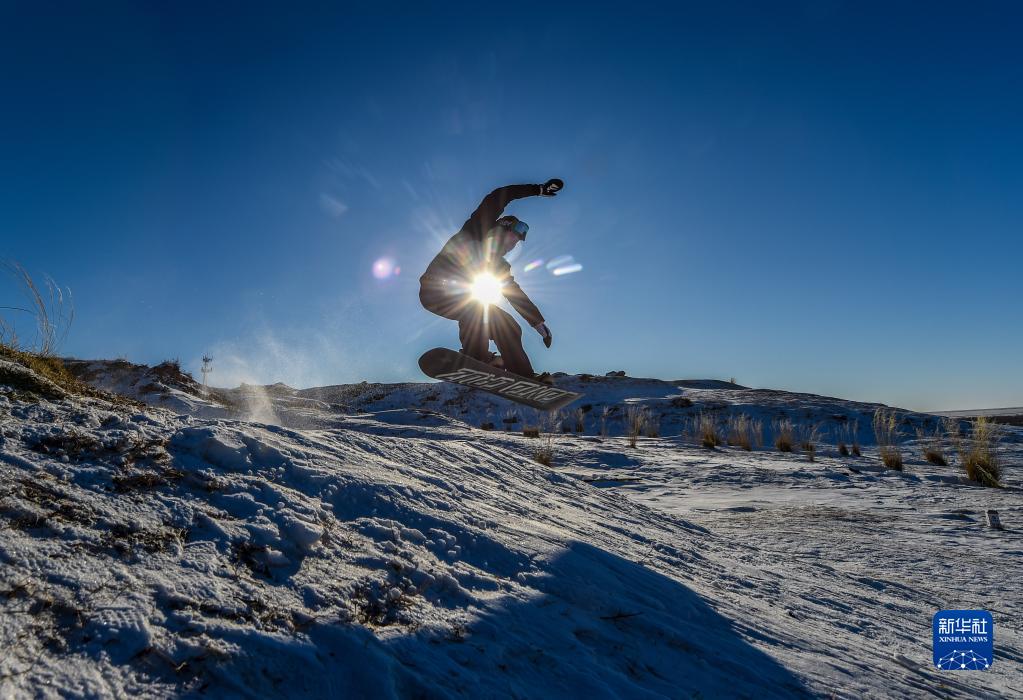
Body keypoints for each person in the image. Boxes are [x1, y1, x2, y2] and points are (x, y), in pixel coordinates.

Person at [419, 179, 563, 379]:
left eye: (516, 243)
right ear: (501, 230)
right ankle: (477, 358)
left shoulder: (499, 265)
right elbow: (499, 197)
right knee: (476, 310)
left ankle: (523, 375)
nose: (513, 245)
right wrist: (537, 190)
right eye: (512, 238)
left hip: (461, 298)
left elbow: (514, 293)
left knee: (508, 324)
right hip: (434, 290)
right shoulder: (475, 231)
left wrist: (538, 323)